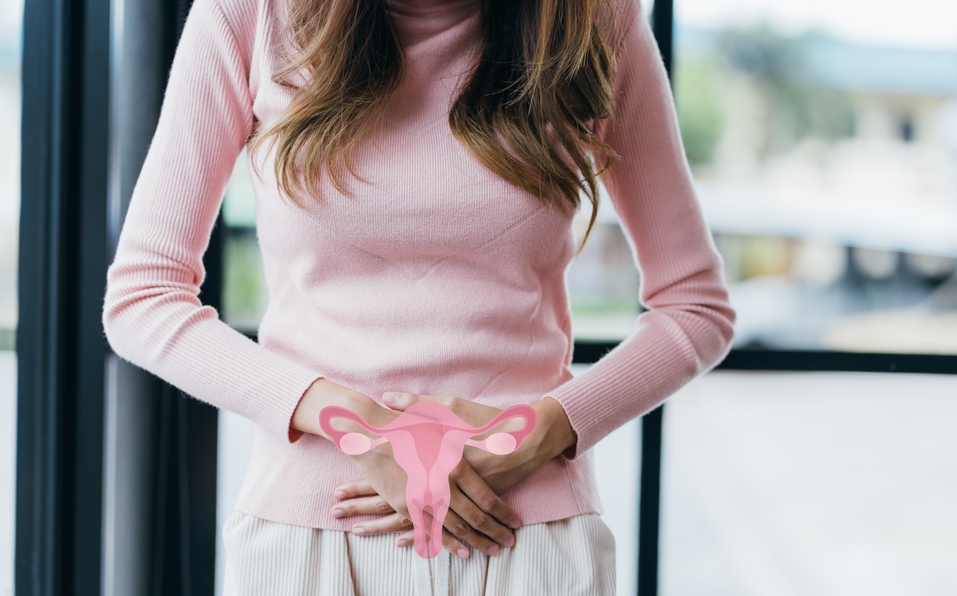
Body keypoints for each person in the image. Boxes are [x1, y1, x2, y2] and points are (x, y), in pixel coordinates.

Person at [102, 0, 736, 592]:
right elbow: (144, 296)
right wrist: (358, 428)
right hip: (308, 541)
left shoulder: (590, 20)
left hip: (527, 538)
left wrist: (537, 433)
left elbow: (696, 308)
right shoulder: (252, 14)